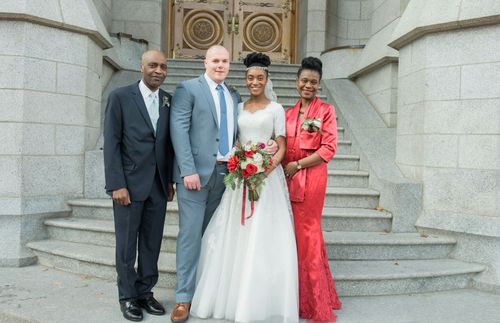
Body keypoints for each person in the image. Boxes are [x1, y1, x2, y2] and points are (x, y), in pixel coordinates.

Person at [189, 52, 299, 323]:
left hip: (266, 177)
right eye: (250, 77)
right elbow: (236, 141)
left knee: (263, 234)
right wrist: (241, 161)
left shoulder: (276, 109)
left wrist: (267, 166)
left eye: (259, 78)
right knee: (235, 234)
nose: (254, 82)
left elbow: (281, 145)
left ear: (267, 79)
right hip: (240, 176)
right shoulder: (237, 108)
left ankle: (258, 298)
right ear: (246, 79)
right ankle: (230, 294)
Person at [103, 50, 175, 322]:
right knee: (126, 245)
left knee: (151, 243)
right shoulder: (120, 97)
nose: (158, 71)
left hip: (157, 186)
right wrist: (116, 184)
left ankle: (145, 292)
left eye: (163, 67)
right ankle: (128, 297)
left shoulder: (169, 100)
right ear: (141, 67)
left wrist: (169, 180)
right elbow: (112, 143)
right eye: (153, 65)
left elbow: (168, 145)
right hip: (128, 186)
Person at [283, 57, 342, 322]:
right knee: (295, 238)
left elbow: (328, 148)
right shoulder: (287, 113)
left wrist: (298, 164)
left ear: (319, 85)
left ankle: (316, 304)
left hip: (313, 177)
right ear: (297, 82)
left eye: (313, 82)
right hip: (288, 178)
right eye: (304, 81)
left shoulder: (326, 111)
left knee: (308, 235)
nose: (308, 85)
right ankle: (298, 298)